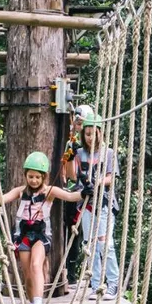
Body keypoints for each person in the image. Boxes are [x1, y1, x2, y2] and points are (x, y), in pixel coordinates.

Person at [0, 151, 92, 304]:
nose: (34, 180)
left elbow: (69, 196)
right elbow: (1, 200)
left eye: (38, 177)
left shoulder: (49, 191)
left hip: (41, 234)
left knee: (36, 265)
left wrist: (85, 193)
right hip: (22, 235)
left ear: (44, 177)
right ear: (25, 176)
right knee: (28, 275)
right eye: (31, 176)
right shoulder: (20, 191)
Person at [65, 115, 121, 300]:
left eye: (93, 133)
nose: (90, 137)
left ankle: (113, 282)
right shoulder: (80, 153)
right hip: (86, 204)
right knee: (89, 244)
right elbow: (72, 176)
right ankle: (96, 283)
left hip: (103, 202)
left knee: (105, 243)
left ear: (100, 133)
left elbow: (111, 178)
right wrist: (69, 156)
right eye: (87, 134)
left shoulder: (109, 153)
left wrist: (96, 182)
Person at [62, 104, 94, 286]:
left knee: (89, 234)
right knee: (72, 234)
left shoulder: (95, 145)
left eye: (83, 124)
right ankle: (71, 274)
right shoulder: (71, 142)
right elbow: (70, 174)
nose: (80, 127)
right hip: (74, 193)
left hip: (90, 194)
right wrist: (71, 155)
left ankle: (92, 274)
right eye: (78, 123)